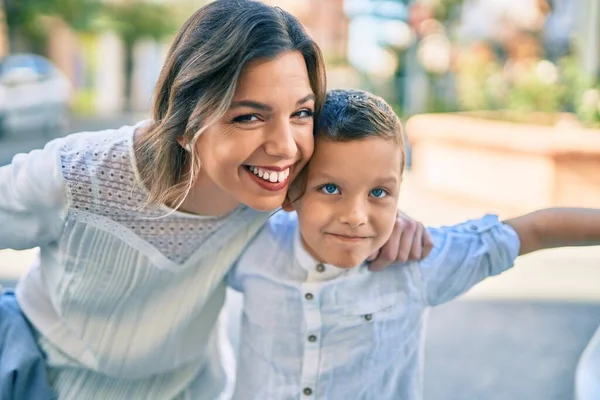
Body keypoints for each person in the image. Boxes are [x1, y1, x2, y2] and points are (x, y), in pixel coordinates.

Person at [0, 2, 429, 399]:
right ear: (185, 123)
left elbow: (344, 194)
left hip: (188, 389)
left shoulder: (279, 190)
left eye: (301, 113)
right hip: (44, 380)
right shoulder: (77, 176)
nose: (285, 147)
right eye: (248, 117)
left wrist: (384, 215)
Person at [228, 88, 600, 399]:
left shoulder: (417, 262)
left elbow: (534, 231)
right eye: (330, 188)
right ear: (290, 193)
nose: (356, 215)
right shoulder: (250, 244)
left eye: (379, 192)